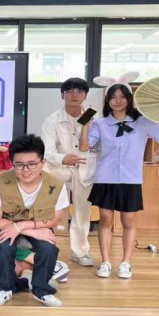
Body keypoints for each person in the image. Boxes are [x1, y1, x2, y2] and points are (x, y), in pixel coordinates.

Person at [80, 83, 159, 280]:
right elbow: (83, 147)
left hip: (131, 179)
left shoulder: (142, 122)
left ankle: (126, 263)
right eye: (113, 97)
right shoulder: (100, 124)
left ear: (129, 99)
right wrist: (85, 124)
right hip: (106, 177)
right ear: (107, 101)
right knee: (105, 220)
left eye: (122, 96)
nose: (117, 100)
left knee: (128, 221)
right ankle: (105, 262)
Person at [0, 134, 70, 308]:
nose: (25, 170)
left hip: (39, 226)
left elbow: (55, 220)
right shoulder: (0, 182)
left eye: (32, 164)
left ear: (42, 162)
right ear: (12, 163)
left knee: (48, 248)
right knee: (4, 246)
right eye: (19, 164)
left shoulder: (56, 185)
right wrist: (25, 229)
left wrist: (23, 226)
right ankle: (4, 288)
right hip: (7, 225)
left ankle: (42, 291)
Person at [41, 77, 98, 268]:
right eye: (70, 91)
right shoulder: (52, 121)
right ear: (62, 95)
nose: (75, 95)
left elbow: (100, 146)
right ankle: (41, 244)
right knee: (39, 174)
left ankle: (80, 252)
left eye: (79, 91)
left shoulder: (94, 118)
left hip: (85, 167)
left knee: (82, 211)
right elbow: (47, 152)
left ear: (85, 96)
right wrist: (63, 158)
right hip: (61, 166)